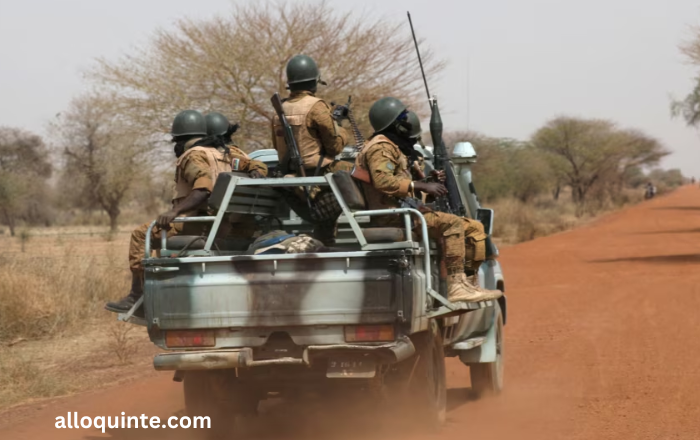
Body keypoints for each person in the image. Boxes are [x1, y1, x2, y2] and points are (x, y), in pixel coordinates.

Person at [105, 110, 268, 315]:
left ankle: (138, 297)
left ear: (181, 140)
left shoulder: (194, 155)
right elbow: (255, 165)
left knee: (140, 235)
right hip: (229, 224)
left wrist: (175, 211)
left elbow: (203, 188)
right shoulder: (229, 154)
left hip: (205, 224)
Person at [354, 97, 502, 304]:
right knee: (453, 223)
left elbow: (400, 181)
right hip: (393, 216)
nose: (408, 121)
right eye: (403, 117)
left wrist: (429, 181)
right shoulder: (380, 147)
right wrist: (421, 186)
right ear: (394, 123)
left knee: (475, 229)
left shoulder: (394, 147)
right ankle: (456, 287)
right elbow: (383, 181)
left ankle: (469, 284)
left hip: (405, 212)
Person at [270, 54, 353, 244]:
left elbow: (277, 147)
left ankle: (325, 240)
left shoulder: (279, 110)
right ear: (314, 83)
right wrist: (340, 127)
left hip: (292, 178)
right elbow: (335, 147)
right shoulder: (317, 107)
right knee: (360, 174)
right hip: (318, 175)